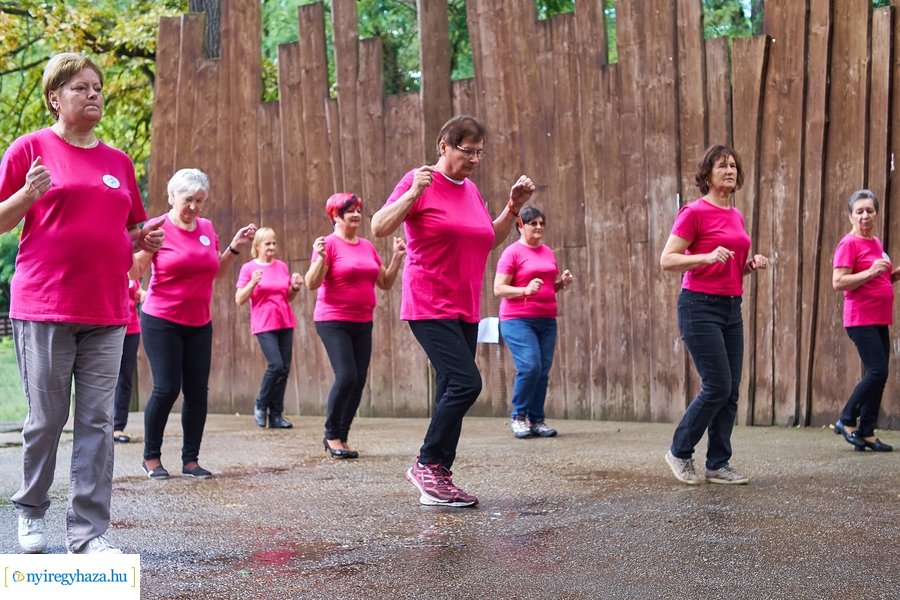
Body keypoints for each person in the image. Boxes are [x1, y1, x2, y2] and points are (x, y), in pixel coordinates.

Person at [0, 53, 163, 554]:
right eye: (80, 87)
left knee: (97, 423)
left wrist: (145, 240)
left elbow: (130, 227)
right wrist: (27, 196)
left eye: (97, 87)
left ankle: (88, 534)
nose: (93, 94)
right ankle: (30, 513)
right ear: (55, 97)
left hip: (108, 308)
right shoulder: (30, 149)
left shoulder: (118, 162)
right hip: (45, 304)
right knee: (47, 419)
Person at [371, 115, 535, 507]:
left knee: (449, 387)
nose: (475, 158)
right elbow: (379, 226)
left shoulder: (472, 191)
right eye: (468, 150)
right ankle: (426, 464)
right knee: (466, 383)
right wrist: (411, 195)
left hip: (464, 306)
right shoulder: (420, 180)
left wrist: (513, 207)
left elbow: (486, 239)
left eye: (480, 152)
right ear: (443, 146)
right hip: (428, 301)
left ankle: (438, 477)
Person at [133, 168, 256, 480]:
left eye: (200, 201)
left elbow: (216, 271)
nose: (194, 207)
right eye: (188, 200)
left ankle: (191, 460)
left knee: (197, 391)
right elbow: (135, 271)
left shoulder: (206, 227)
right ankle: (151, 458)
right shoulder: (157, 226)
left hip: (199, 321)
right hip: (162, 319)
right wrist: (147, 246)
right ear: (172, 197)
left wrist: (234, 248)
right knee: (166, 388)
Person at [659, 144, 769, 486]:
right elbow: (668, 260)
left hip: (730, 306)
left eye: (734, 166)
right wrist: (705, 257)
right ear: (707, 175)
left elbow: (730, 266)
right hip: (698, 306)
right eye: (722, 166)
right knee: (717, 384)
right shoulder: (693, 212)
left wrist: (748, 266)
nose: (730, 171)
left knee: (731, 388)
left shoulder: (735, 216)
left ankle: (718, 464)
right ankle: (679, 451)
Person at [305, 193, 406, 458]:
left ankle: (343, 435)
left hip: (363, 321)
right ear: (335, 216)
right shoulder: (328, 244)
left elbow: (384, 282)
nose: (357, 215)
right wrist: (321, 257)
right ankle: (331, 435)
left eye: (359, 210)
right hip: (333, 319)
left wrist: (396, 258)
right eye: (350, 211)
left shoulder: (366, 246)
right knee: (347, 375)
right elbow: (311, 283)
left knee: (359, 380)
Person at [493, 206, 573, 439]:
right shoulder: (512, 253)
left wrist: (561, 284)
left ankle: (537, 420)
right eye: (533, 223)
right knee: (530, 366)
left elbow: (547, 287)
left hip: (547, 319)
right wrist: (525, 290)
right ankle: (518, 417)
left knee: (542, 370)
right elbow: (498, 288)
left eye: (541, 222)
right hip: (517, 319)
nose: (539, 227)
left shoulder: (547, 252)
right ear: (521, 226)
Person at [831, 189, 898, 452]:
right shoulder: (849, 244)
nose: (865, 216)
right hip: (860, 319)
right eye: (859, 211)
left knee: (880, 375)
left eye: (869, 210)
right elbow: (839, 282)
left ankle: (867, 432)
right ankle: (846, 419)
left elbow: (877, 279)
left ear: (876, 213)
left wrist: (894, 275)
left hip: (879, 317)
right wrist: (871, 271)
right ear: (850, 216)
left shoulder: (875, 242)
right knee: (877, 372)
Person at [235, 227, 303, 429]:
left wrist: (295, 288)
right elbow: (239, 298)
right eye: (267, 243)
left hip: (285, 321)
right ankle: (260, 404)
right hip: (264, 323)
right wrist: (253, 283)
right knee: (276, 365)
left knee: (284, 370)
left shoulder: (281, 266)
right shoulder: (249, 269)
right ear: (257, 246)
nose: (272, 247)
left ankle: (276, 415)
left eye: (274, 243)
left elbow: (287, 297)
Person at [112, 279, 146, 443]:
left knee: (125, 378)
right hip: (110, 327)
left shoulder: (133, 276)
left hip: (131, 328)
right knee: (106, 377)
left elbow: (138, 295)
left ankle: (117, 427)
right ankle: (100, 426)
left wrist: (145, 295)